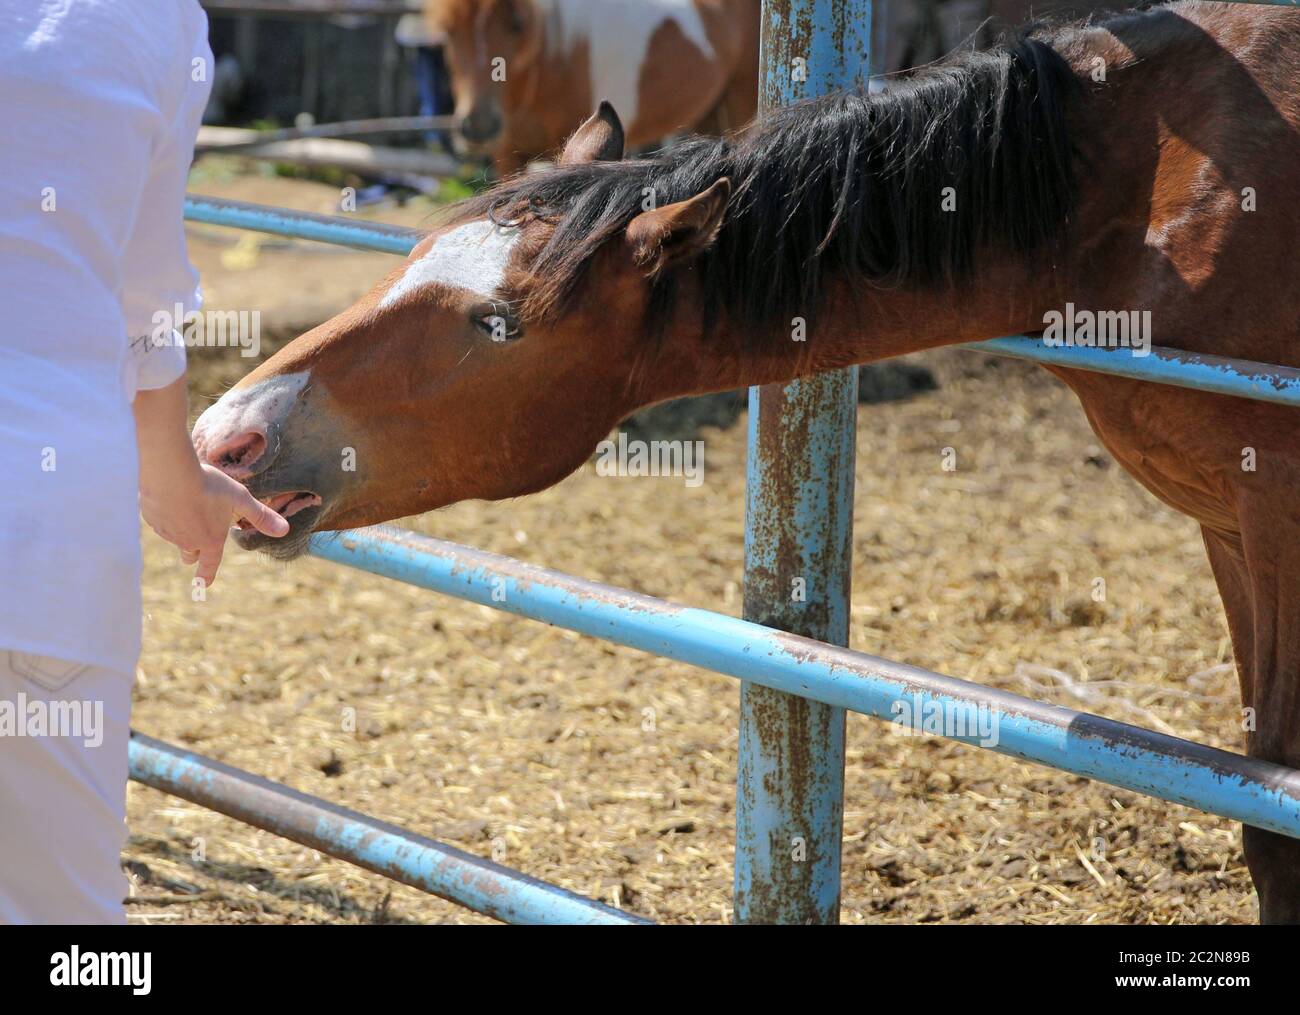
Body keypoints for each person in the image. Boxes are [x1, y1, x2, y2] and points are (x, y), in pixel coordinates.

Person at [0, 0, 288, 924]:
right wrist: (174, 482)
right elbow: (145, 299)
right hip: (46, 532)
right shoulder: (153, 19)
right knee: (65, 923)